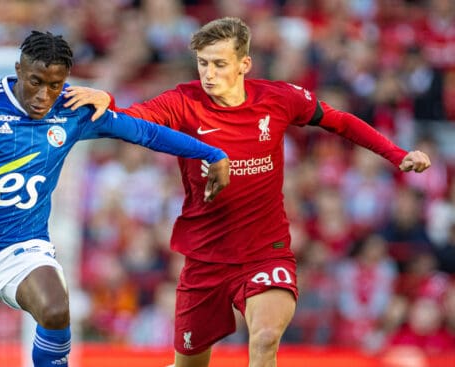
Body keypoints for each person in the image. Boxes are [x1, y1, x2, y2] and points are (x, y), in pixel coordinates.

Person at [63, 17, 432, 367]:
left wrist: (397, 154)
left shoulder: (278, 98)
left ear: (244, 64)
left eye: (220, 64)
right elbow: (133, 119)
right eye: (203, 64)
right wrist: (106, 104)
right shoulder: (183, 101)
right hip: (205, 260)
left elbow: (338, 120)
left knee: (265, 337)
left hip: (264, 253)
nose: (209, 74)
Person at [0, 30, 230, 367]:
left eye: (55, 85)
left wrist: (211, 153)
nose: (44, 95)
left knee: (54, 310)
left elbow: (144, 131)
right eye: (36, 81)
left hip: (23, 245)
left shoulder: (73, 108)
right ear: (19, 69)